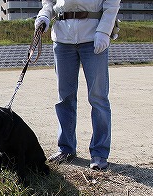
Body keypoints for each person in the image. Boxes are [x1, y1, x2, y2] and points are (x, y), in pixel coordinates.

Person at [35, 0, 120, 170]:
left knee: (98, 97)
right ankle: (66, 148)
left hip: (93, 35)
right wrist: (44, 15)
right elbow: (49, 2)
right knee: (64, 98)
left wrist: (104, 31)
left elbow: (112, 3)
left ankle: (99, 152)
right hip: (62, 38)